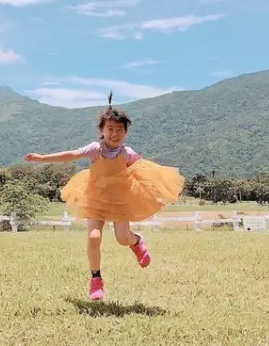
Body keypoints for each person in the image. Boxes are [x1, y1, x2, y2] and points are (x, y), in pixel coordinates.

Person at [24, 92, 185, 301]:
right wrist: (42, 158)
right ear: (101, 130)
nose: (115, 134)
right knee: (93, 237)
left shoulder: (127, 153)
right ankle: (96, 279)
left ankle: (137, 242)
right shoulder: (95, 149)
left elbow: (144, 169)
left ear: (126, 132)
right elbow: (72, 155)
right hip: (95, 196)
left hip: (119, 198)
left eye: (120, 129)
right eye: (110, 129)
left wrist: (157, 187)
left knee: (122, 238)